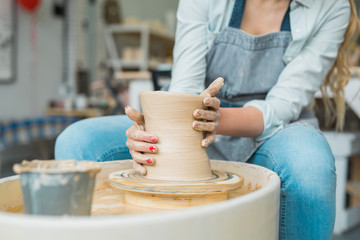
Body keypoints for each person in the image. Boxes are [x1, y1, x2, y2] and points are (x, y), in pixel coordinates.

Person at [55, 0, 359, 239]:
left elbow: (280, 106)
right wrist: (148, 133)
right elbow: (185, 87)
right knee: (77, 142)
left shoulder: (332, 6)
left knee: (310, 163)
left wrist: (216, 120)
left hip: (269, 133)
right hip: (190, 123)